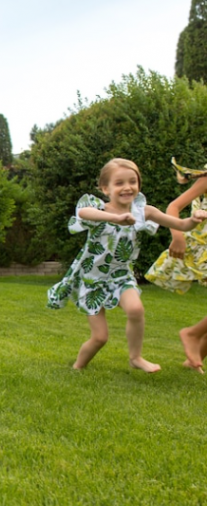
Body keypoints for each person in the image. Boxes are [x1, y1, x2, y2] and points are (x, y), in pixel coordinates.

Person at [46, 158, 207, 373]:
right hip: (91, 278)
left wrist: (195, 219)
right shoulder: (98, 208)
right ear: (106, 188)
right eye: (119, 183)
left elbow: (181, 224)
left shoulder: (144, 212)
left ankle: (136, 357)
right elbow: (84, 214)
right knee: (100, 337)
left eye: (133, 181)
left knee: (136, 309)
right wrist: (115, 218)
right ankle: (78, 367)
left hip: (120, 276)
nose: (127, 187)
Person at [145, 159, 207, 373]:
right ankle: (191, 334)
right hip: (202, 246)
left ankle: (193, 359)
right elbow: (174, 207)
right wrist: (177, 237)